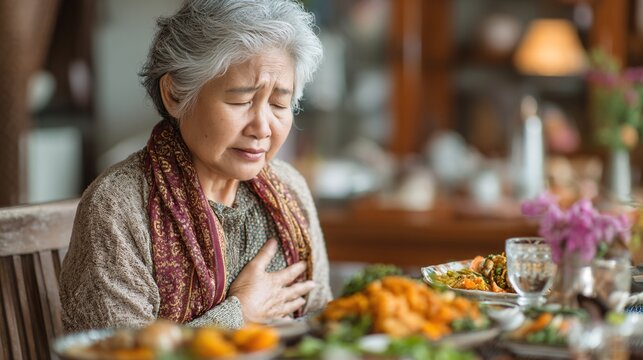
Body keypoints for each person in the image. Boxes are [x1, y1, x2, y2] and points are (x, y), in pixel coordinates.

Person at [60, 0, 331, 332]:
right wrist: (239, 314)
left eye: (279, 104)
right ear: (175, 94)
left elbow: (322, 323)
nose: (262, 127)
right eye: (241, 101)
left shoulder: (289, 189)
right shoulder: (120, 207)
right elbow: (121, 354)